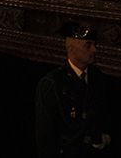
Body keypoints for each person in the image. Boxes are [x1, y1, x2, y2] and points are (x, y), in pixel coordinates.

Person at [35, 21, 111, 157]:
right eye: (88, 45)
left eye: (94, 44)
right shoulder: (53, 83)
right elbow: (45, 135)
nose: (95, 50)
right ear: (71, 49)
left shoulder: (97, 76)